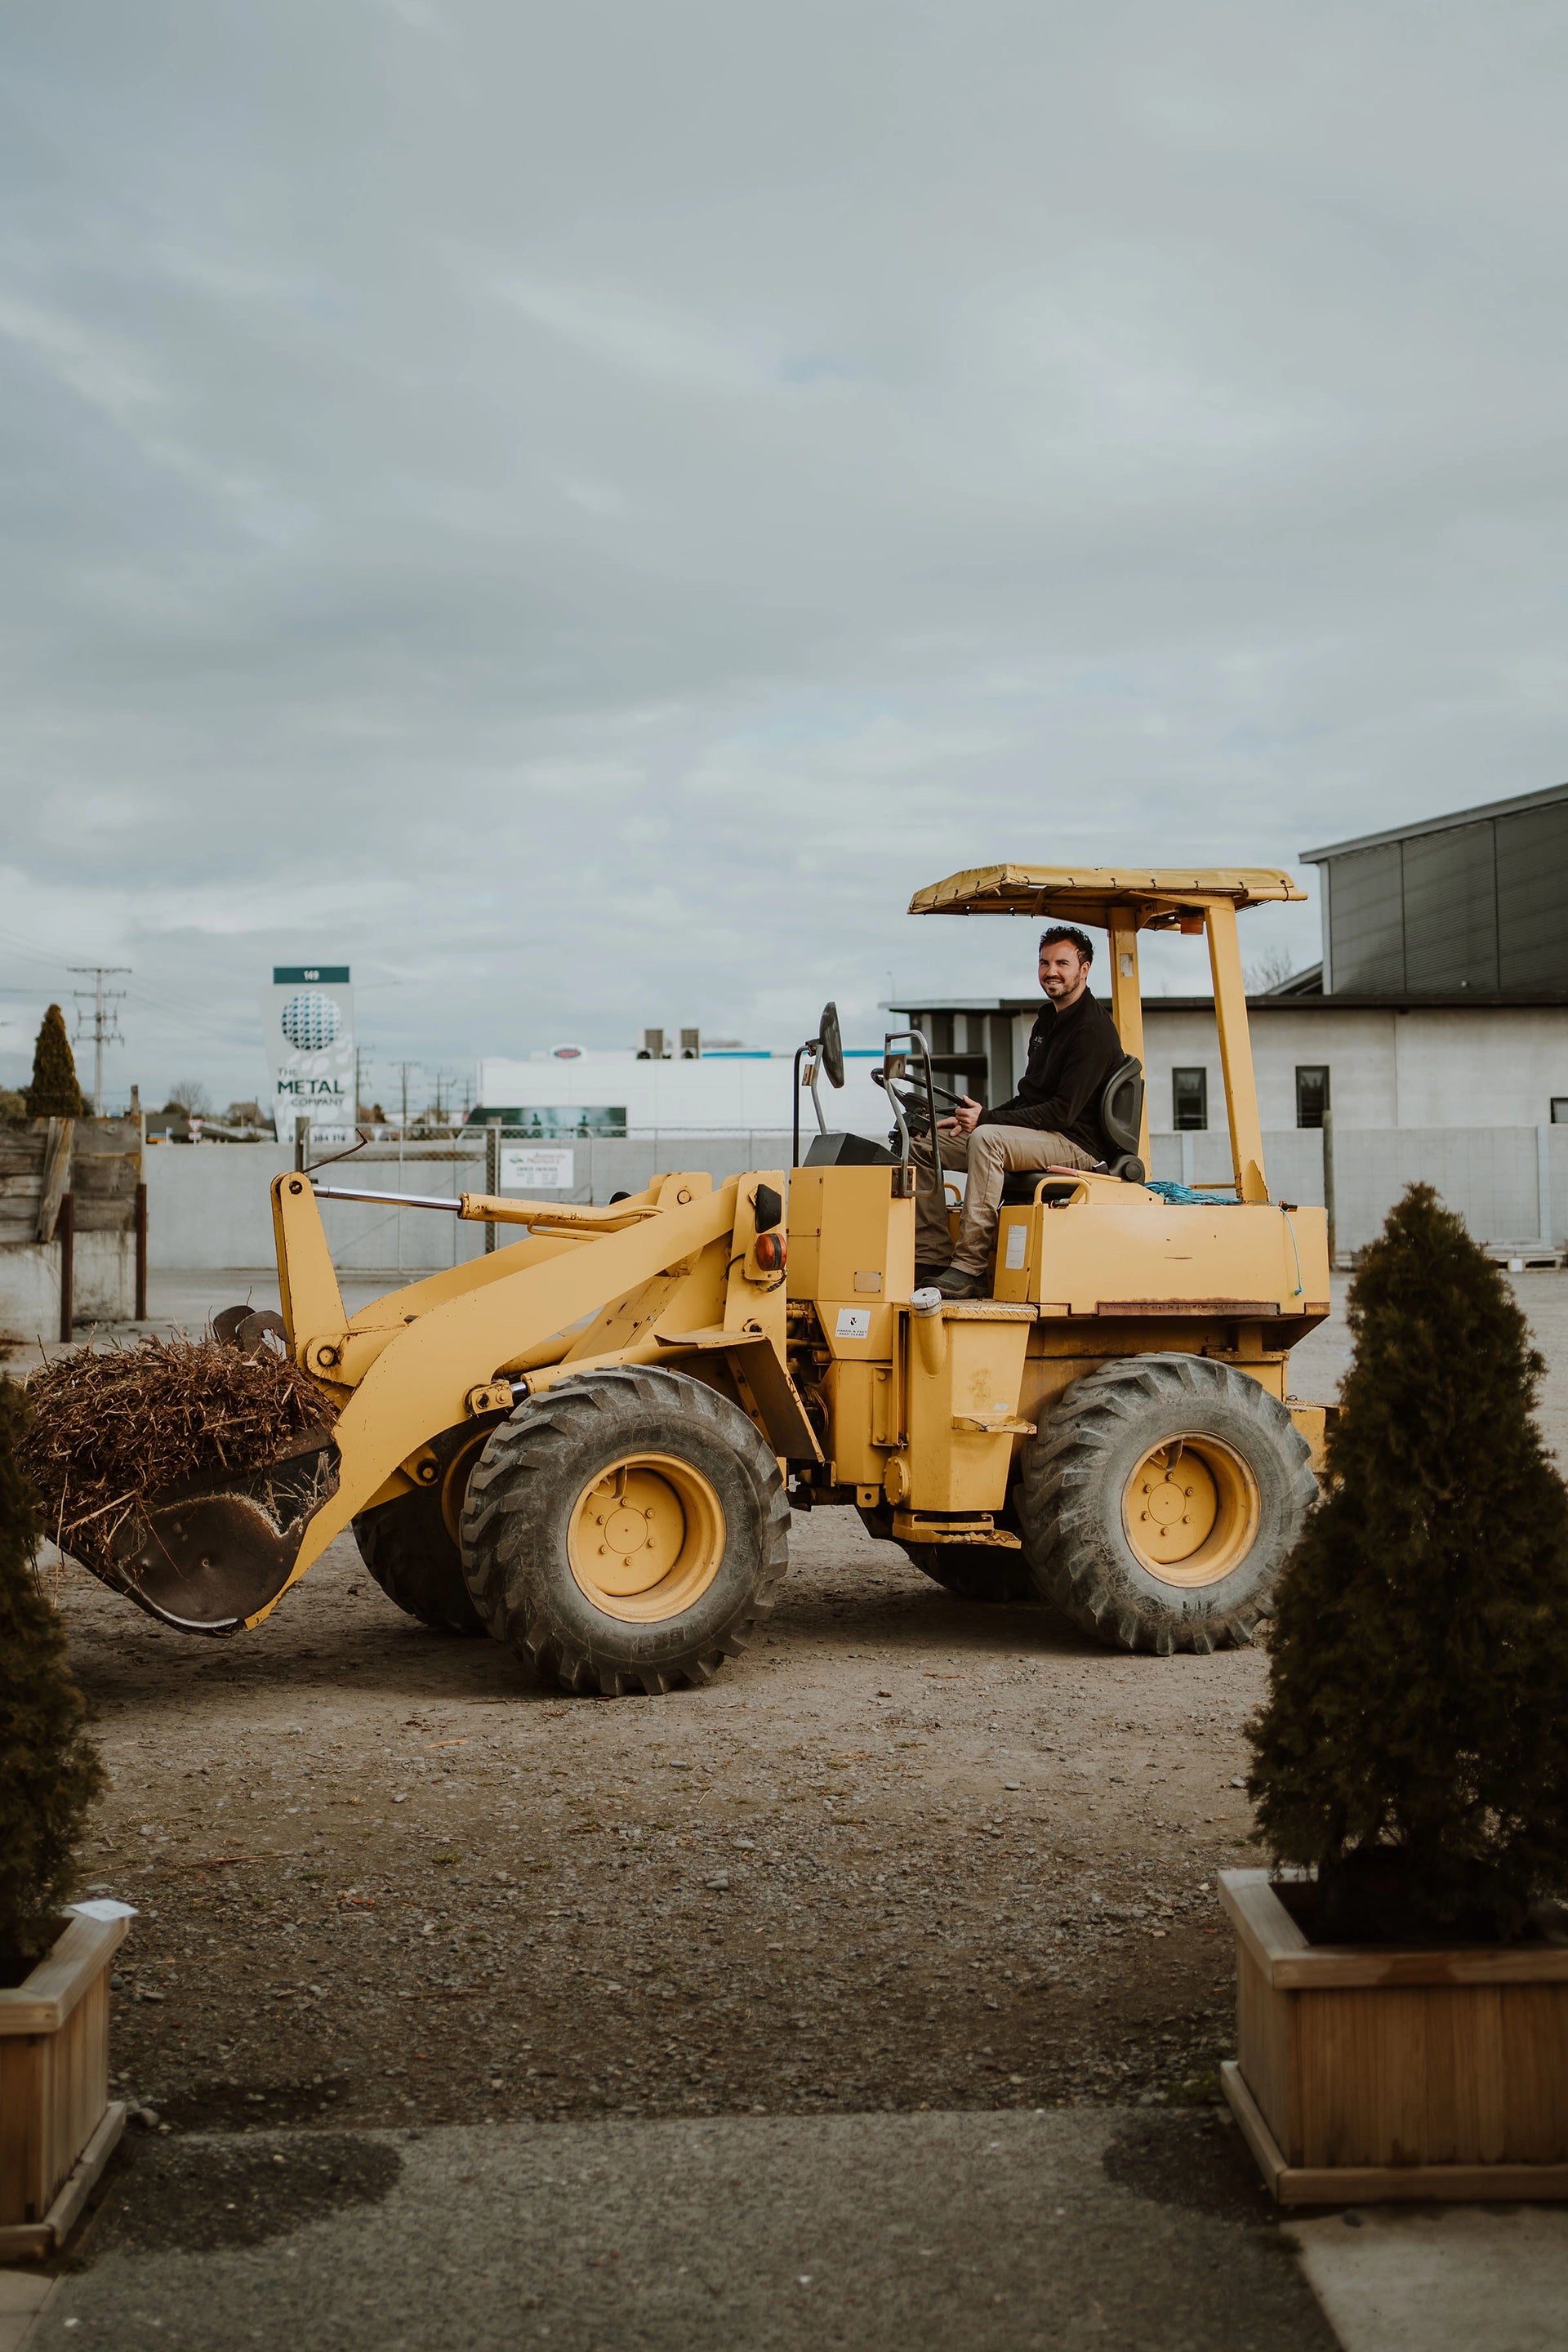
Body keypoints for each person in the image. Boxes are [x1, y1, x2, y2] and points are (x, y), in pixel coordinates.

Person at [915, 924, 1124, 1298]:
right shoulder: (1047, 1021)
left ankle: (970, 1268)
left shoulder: (1092, 1031)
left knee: (987, 1139)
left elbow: (1060, 1113)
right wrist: (977, 1114)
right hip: (1042, 1135)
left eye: (1063, 962)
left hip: (1076, 1145)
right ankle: (932, 1257)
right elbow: (1030, 1097)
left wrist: (988, 1121)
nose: (1051, 971)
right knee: (923, 1143)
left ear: (1085, 969)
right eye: (1044, 963)